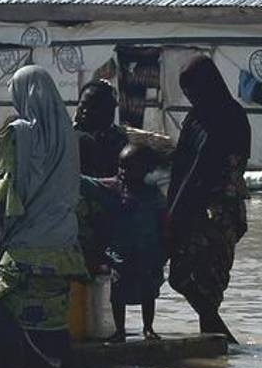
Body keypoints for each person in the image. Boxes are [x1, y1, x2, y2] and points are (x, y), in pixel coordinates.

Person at [0, 65, 86, 368]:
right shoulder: (69, 135)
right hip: (64, 245)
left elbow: (7, 188)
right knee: (55, 314)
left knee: (23, 309)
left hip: (29, 243)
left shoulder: (18, 134)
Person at [168, 56, 250, 343]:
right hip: (189, 207)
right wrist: (174, 209)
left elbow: (215, 166)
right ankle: (219, 343)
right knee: (179, 276)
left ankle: (218, 347)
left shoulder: (230, 117)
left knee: (208, 282)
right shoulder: (196, 118)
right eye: (186, 92)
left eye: (193, 90)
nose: (191, 97)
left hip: (218, 211)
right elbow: (183, 165)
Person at [105, 144, 167, 341]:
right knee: (117, 293)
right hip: (120, 252)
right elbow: (90, 185)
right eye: (121, 166)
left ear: (146, 169)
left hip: (148, 252)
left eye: (129, 167)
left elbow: (164, 224)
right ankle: (120, 330)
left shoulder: (154, 195)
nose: (123, 172)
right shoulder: (115, 187)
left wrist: (164, 252)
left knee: (148, 292)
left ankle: (148, 328)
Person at [73, 79, 126, 178]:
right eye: (83, 104)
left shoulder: (120, 141)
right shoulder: (67, 138)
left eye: (94, 106)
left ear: (108, 110)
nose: (86, 111)